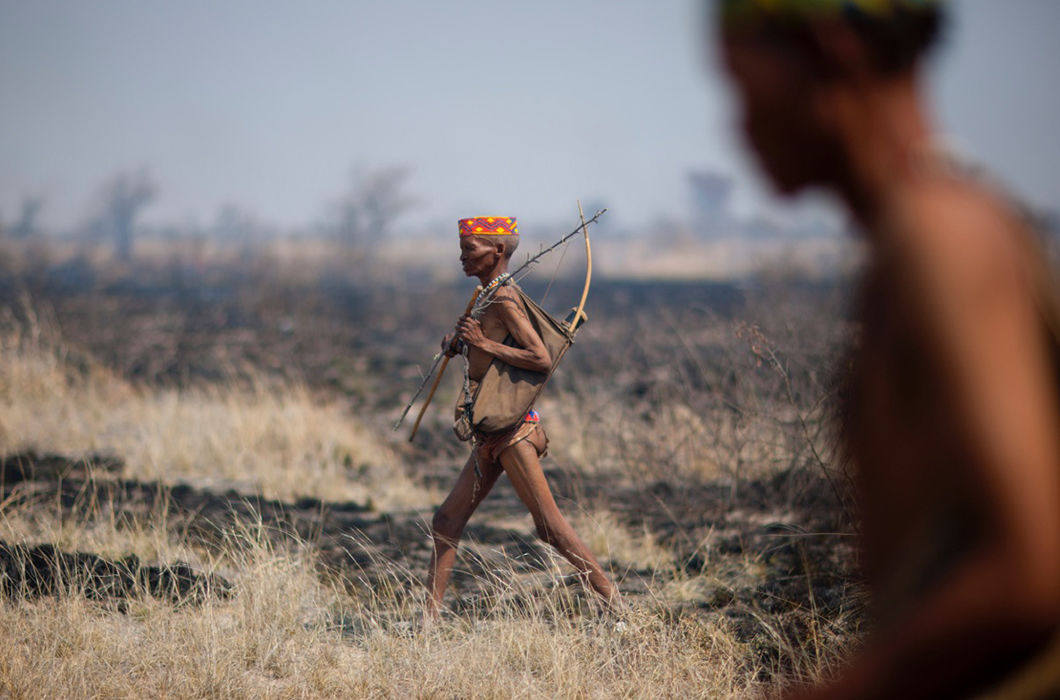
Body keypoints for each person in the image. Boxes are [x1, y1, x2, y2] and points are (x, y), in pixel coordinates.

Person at [714, 1, 1060, 697]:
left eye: (745, 88)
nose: (739, 127)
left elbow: (1031, 571)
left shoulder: (943, 237)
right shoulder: (914, 236)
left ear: (829, 45)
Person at [425, 216, 618, 619]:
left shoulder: (504, 298)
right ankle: (427, 623)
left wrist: (480, 342)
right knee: (446, 520)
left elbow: (540, 359)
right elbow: (488, 346)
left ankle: (618, 608)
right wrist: (461, 346)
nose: (462, 256)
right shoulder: (486, 296)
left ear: (497, 251)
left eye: (471, 248)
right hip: (492, 431)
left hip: (513, 433)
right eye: (461, 247)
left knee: (550, 528)